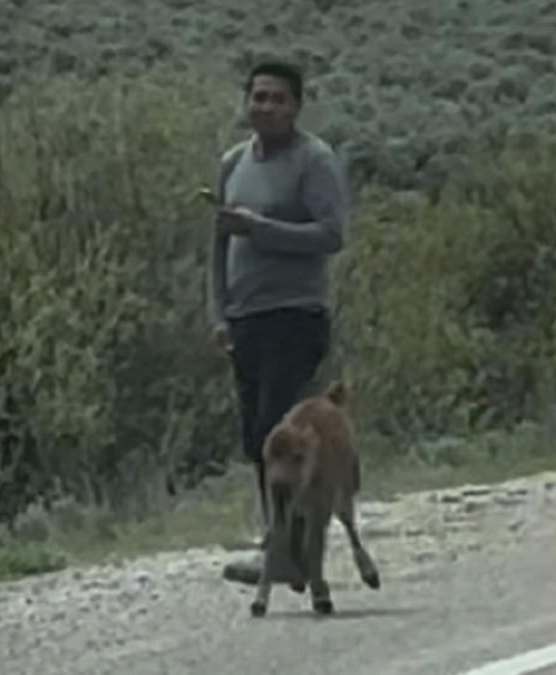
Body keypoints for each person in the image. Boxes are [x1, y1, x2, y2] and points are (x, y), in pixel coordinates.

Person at [205, 62, 350, 586]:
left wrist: (259, 228)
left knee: (283, 431)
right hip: (247, 319)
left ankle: (290, 552)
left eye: (278, 99)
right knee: (257, 440)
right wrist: (218, 312)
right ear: (246, 102)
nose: (266, 107)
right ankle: (282, 547)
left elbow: (331, 235)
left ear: (296, 107)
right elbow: (218, 245)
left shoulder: (314, 161)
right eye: (259, 97)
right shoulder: (232, 164)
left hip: (296, 315)